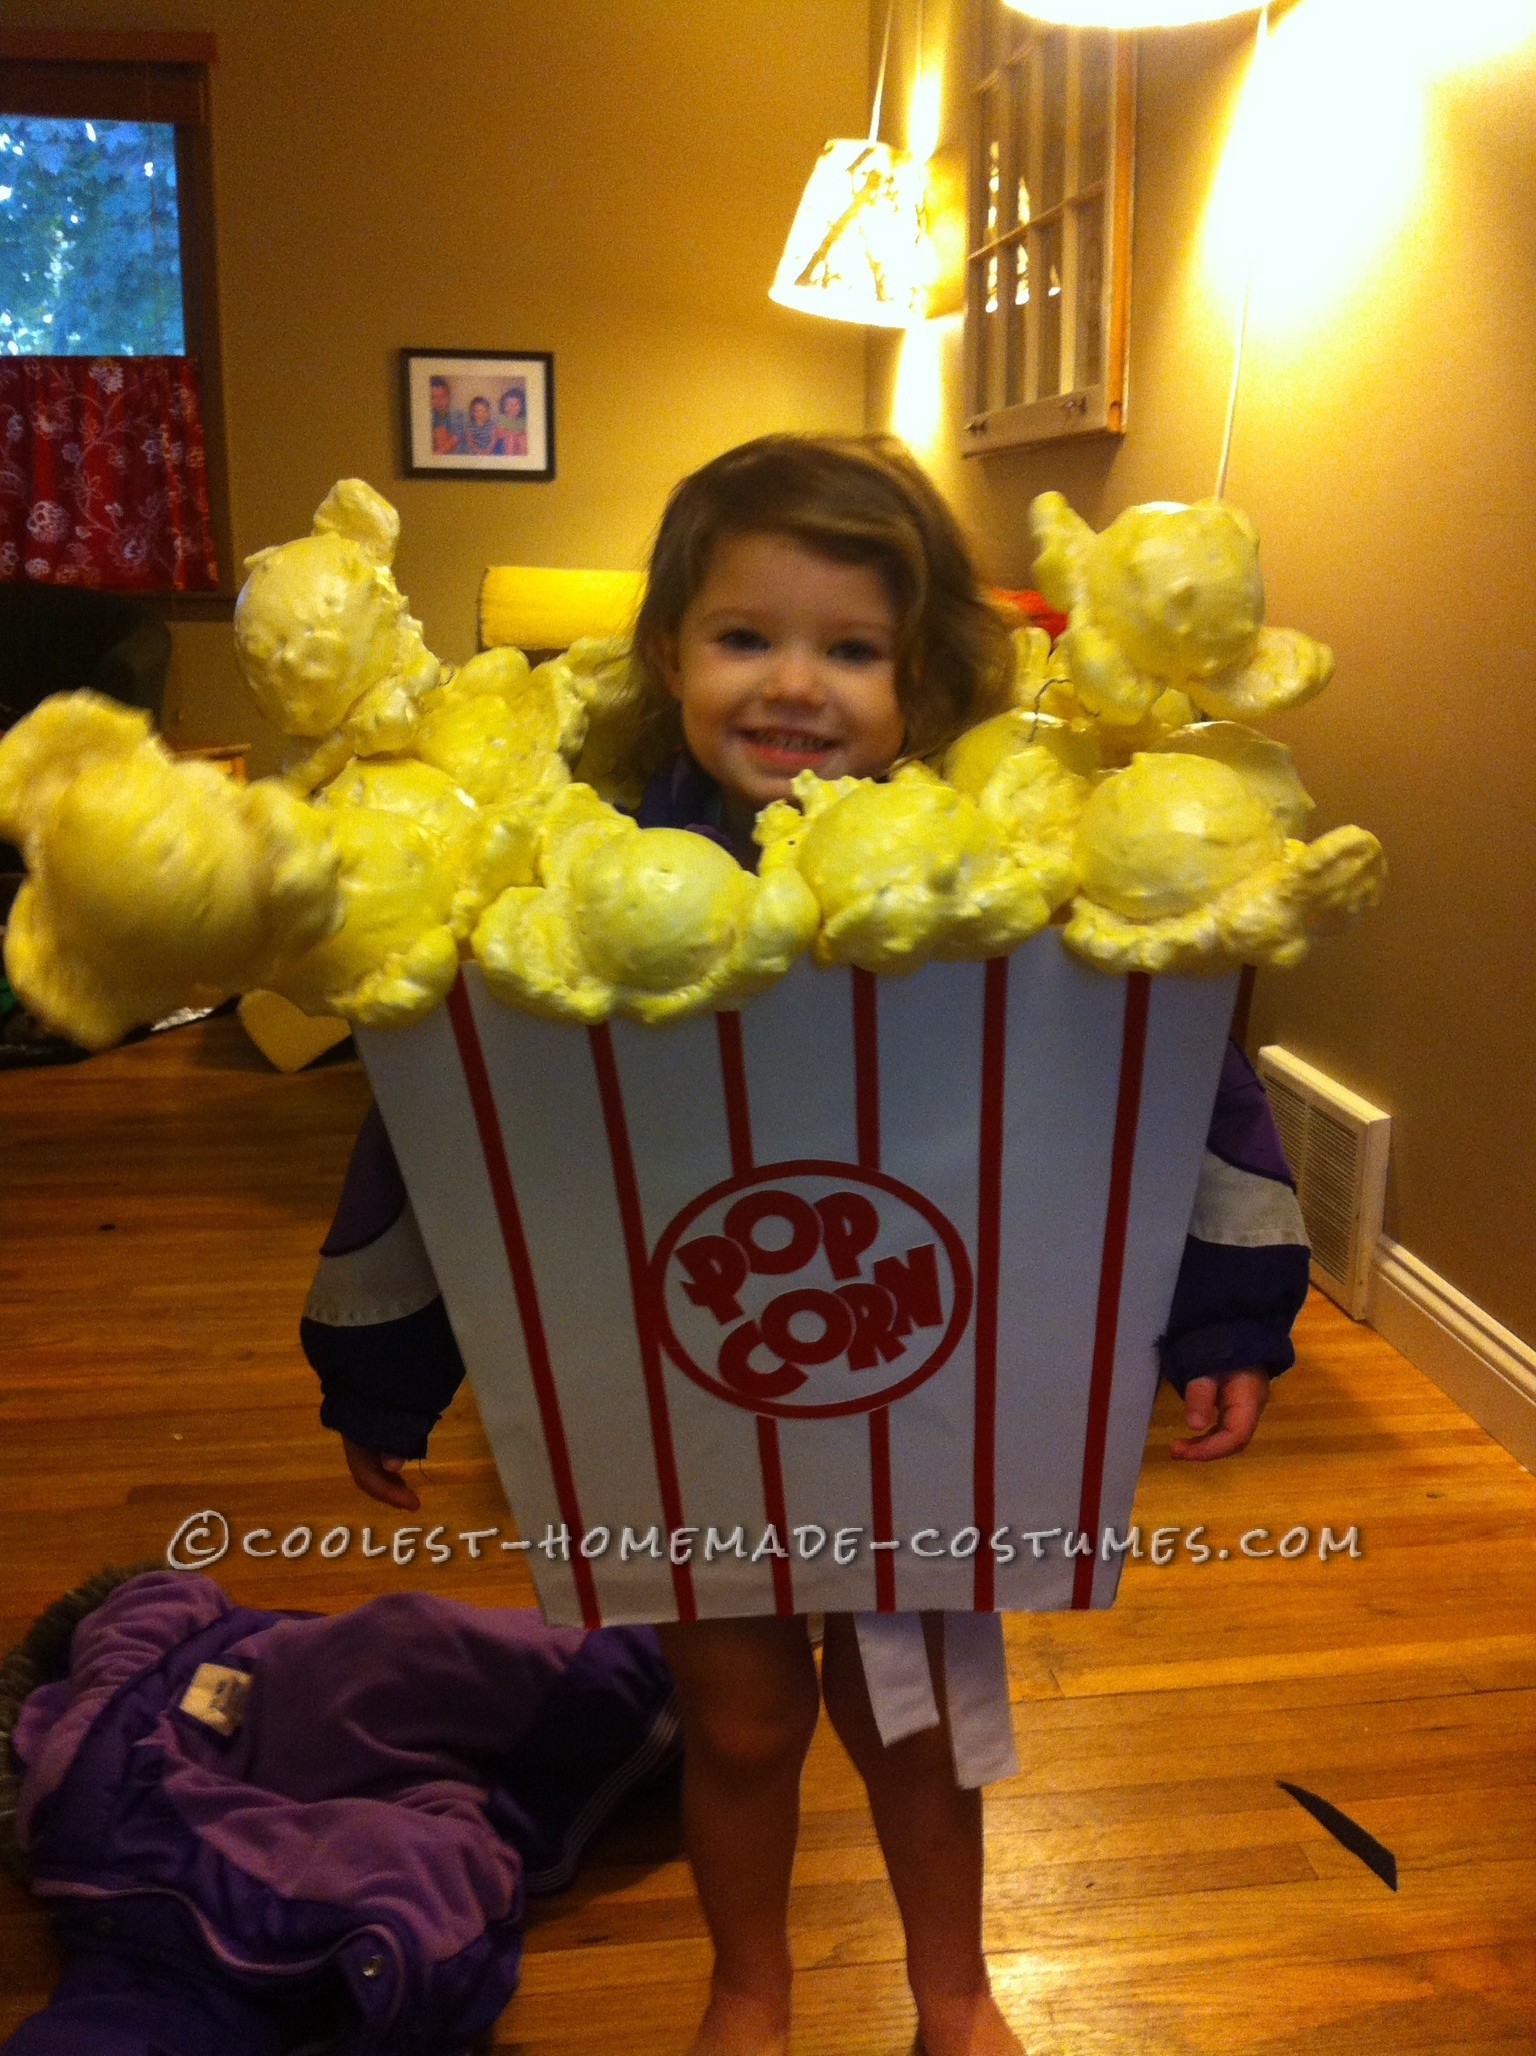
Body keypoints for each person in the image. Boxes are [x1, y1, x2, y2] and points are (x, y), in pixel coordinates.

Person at [302, 436, 1310, 2056]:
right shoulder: (576, 882)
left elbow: (1166, 1080)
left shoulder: (1007, 873)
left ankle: (953, 1990)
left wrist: (1229, 1311)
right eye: (745, 638)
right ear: (666, 654)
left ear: (924, 675)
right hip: (689, 1410)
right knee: (744, 1714)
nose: (796, 686)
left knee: (914, 1717)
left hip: (933, 1400)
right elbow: (451, 1116)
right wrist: (384, 1361)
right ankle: (748, 1986)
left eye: (852, 649)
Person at [429, 376, 465, 455]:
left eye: (442, 396)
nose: (438, 401)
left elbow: (455, 440)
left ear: (448, 397)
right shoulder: (431, 416)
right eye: (433, 397)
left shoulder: (458, 415)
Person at [494, 384, 529, 457]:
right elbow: (499, 433)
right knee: (511, 438)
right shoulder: (502, 418)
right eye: (509, 404)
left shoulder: (523, 420)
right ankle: (510, 461)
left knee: (523, 439)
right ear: (504, 407)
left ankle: (523, 461)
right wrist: (513, 433)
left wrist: (520, 435)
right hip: (503, 444)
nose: (513, 407)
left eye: (516, 404)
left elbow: (526, 432)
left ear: (522, 406)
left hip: (518, 443)